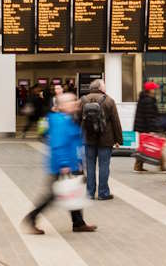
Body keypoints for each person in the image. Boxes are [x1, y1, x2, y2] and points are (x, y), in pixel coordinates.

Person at [22, 93, 98, 235]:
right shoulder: (59, 121)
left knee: (73, 190)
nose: (75, 103)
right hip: (62, 165)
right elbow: (58, 144)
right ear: (61, 105)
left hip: (71, 163)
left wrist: (79, 162)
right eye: (70, 101)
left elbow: (74, 143)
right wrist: (64, 164)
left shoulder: (69, 119)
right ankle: (31, 219)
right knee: (53, 196)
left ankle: (78, 223)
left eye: (74, 100)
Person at [78, 78, 123, 201]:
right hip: (106, 139)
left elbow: (77, 120)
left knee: (90, 166)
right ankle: (103, 193)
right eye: (104, 86)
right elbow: (115, 121)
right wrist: (119, 139)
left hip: (88, 138)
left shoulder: (83, 100)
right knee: (104, 165)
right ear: (101, 88)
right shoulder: (109, 100)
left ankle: (90, 193)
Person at [133, 81, 161, 172]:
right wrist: (152, 130)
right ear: (150, 90)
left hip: (142, 126)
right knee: (144, 147)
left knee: (143, 146)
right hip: (145, 127)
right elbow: (149, 116)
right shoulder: (148, 100)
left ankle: (138, 166)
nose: (155, 90)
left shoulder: (144, 98)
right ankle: (138, 166)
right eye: (154, 88)